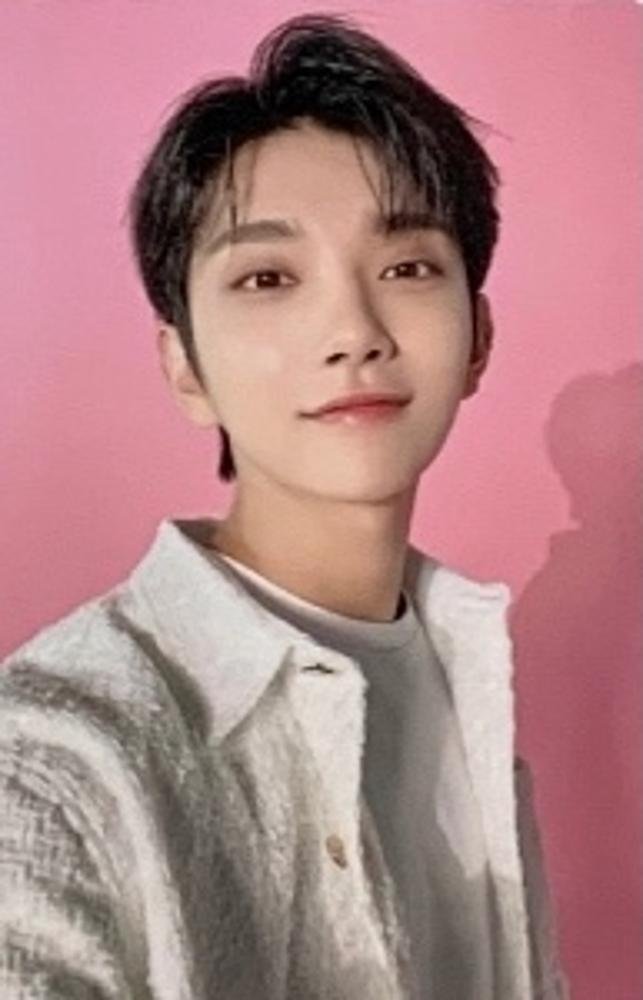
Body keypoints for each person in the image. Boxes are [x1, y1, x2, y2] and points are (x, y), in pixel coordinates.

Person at [0, 12, 568, 999]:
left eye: (406, 267)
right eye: (267, 277)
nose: (352, 330)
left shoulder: (471, 681)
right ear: (184, 365)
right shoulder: (54, 755)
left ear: (477, 336)